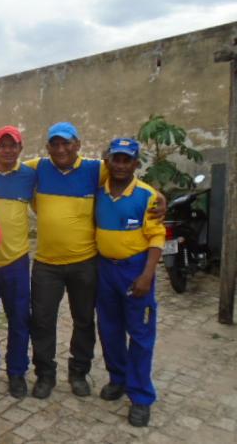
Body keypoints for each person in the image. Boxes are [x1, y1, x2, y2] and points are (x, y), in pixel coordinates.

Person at [25, 122, 165, 400]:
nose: (61, 149)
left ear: (77, 144)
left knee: (84, 320)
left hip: (86, 263)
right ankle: (45, 374)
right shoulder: (36, 168)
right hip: (46, 264)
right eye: (55, 143)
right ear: (48, 148)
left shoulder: (95, 169)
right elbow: (4, 169)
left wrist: (160, 196)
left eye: (67, 143)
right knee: (41, 321)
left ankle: (78, 371)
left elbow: (131, 180)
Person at [95, 138, 165, 427]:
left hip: (135, 269)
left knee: (139, 334)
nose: (121, 165)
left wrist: (147, 274)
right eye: (116, 159)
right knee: (110, 329)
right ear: (108, 161)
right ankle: (118, 379)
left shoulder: (148, 196)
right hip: (104, 270)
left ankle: (140, 396)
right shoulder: (97, 192)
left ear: (136, 164)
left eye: (127, 160)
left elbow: (157, 236)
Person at [0, 126, 36, 399]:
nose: (7, 150)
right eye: (2, 145)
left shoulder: (29, 174)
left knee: (19, 320)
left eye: (12, 145)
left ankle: (16, 372)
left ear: (20, 149)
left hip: (16, 261)